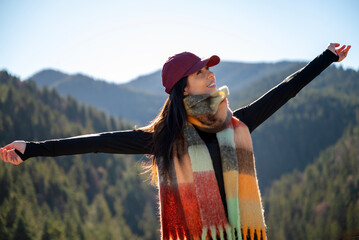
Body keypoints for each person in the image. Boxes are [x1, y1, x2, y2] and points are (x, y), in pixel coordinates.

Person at [0, 43, 351, 240]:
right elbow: (98, 141)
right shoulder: (164, 140)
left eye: (209, 69)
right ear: (183, 87)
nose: (211, 74)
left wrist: (327, 58)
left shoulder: (237, 124)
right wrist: (31, 149)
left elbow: (285, 92)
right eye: (201, 72)